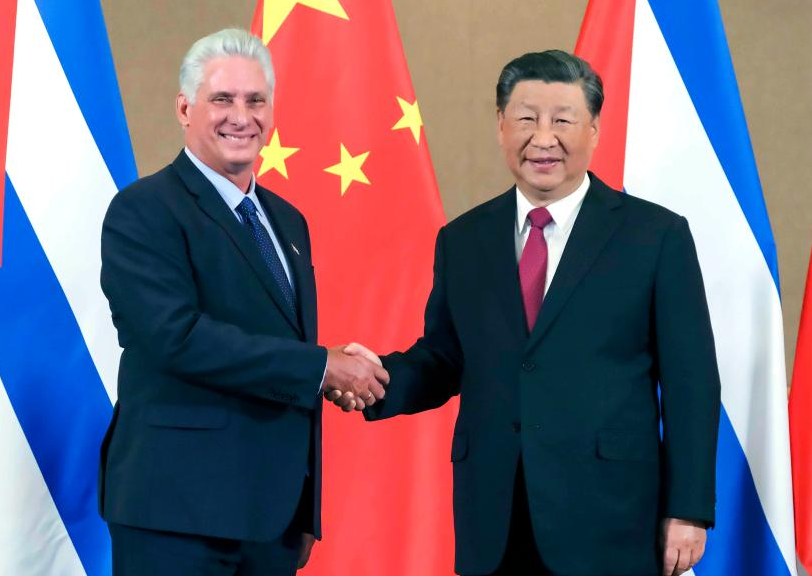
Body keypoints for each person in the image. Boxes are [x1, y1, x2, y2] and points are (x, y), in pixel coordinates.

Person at [334, 50, 720, 576]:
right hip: (495, 515)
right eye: (525, 118)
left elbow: (691, 382)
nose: (543, 138)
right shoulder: (463, 240)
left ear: (594, 129)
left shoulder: (655, 236)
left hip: (610, 516)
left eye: (562, 119)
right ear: (500, 126)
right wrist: (377, 380)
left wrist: (688, 510)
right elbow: (446, 358)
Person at [98, 28, 387, 576]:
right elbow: (175, 338)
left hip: (271, 518)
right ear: (185, 108)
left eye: (256, 100)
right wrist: (323, 366)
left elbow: (285, 348)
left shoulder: (288, 220)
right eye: (222, 99)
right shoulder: (143, 211)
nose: (241, 116)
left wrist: (307, 506)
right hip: (176, 515)